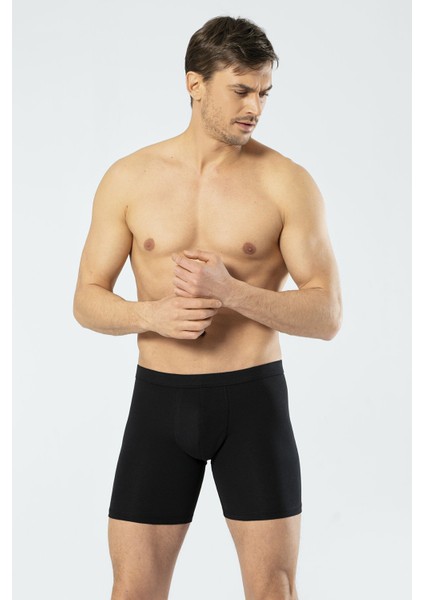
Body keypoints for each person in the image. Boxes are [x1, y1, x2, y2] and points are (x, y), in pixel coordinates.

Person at [73, 15, 342, 600]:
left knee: (273, 588)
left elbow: (327, 315)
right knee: (133, 588)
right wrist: (150, 315)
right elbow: (87, 300)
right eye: (241, 90)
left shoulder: (286, 183)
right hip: (159, 403)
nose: (255, 107)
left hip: (253, 403)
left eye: (264, 92)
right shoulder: (129, 178)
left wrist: (232, 291)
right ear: (194, 84)